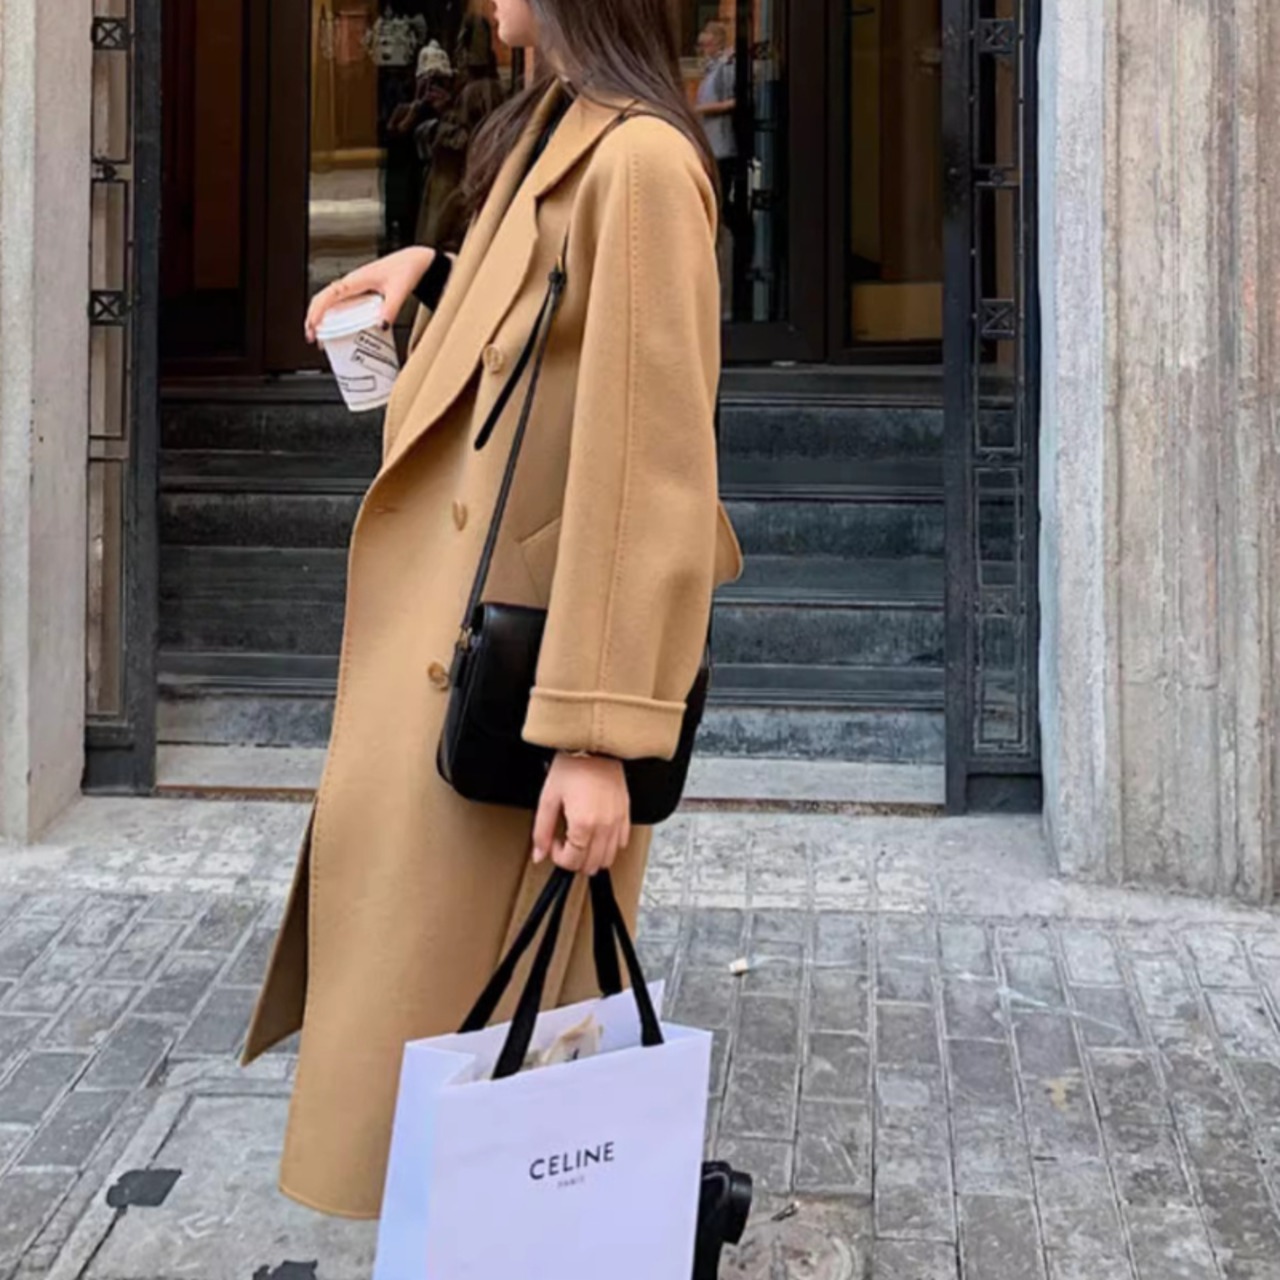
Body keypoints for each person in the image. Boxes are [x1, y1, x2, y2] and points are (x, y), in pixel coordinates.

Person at [241, 0, 744, 1220]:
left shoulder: (638, 160)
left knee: (492, 1082)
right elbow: (551, 342)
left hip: (520, 709)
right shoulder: (551, 127)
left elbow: (649, 474)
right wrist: (434, 281)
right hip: (459, 674)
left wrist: (599, 734)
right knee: (450, 1077)